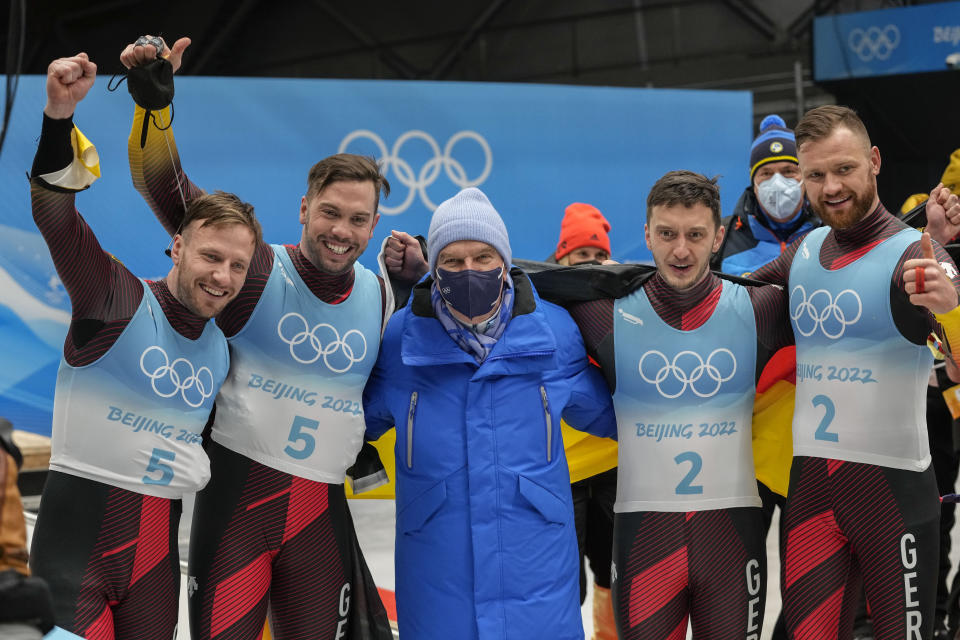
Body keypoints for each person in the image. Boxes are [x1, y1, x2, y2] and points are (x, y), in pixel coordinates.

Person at [120, 36, 404, 639]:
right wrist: (153, 107)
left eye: (358, 220)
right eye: (329, 212)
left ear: (375, 225)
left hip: (321, 523)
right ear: (303, 208)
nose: (341, 231)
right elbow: (162, 187)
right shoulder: (252, 270)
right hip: (236, 514)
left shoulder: (380, 295)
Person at [27, 53, 261, 639]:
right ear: (176, 247)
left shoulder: (220, 347)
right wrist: (59, 116)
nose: (223, 277)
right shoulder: (117, 300)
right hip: (72, 563)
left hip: (155, 573)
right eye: (211, 256)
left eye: (238, 265)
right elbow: (57, 216)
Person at [529, 171, 790, 639]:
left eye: (695, 235)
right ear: (647, 234)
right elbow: (502, 286)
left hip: (731, 541)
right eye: (667, 234)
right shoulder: (602, 310)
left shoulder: (759, 308)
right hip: (644, 542)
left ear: (717, 238)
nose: (681, 250)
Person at [362, 187, 618, 640]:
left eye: (483, 257)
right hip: (437, 572)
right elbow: (349, 416)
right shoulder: (402, 338)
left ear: (505, 263)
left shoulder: (553, 332)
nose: (470, 271)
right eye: (453, 261)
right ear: (435, 267)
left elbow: (615, 417)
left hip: (536, 569)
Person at [748, 105, 960, 640]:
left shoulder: (915, 253)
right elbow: (721, 297)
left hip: (894, 501)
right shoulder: (806, 249)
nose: (830, 187)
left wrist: (952, 309)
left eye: (844, 169)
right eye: (814, 175)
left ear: (875, 162)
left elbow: (958, 363)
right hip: (812, 497)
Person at [550, 202, 618, 640]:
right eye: (580, 257)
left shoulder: (626, 303)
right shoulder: (540, 306)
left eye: (598, 257)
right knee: (561, 580)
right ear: (561, 259)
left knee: (615, 573)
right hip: (564, 470)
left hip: (614, 462)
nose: (590, 266)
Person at [713, 114, 820, 278]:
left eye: (788, 171)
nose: (777, 182)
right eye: (766, 173)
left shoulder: (829, 231)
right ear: (754, 183)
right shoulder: (721, 238)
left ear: (805, 175)